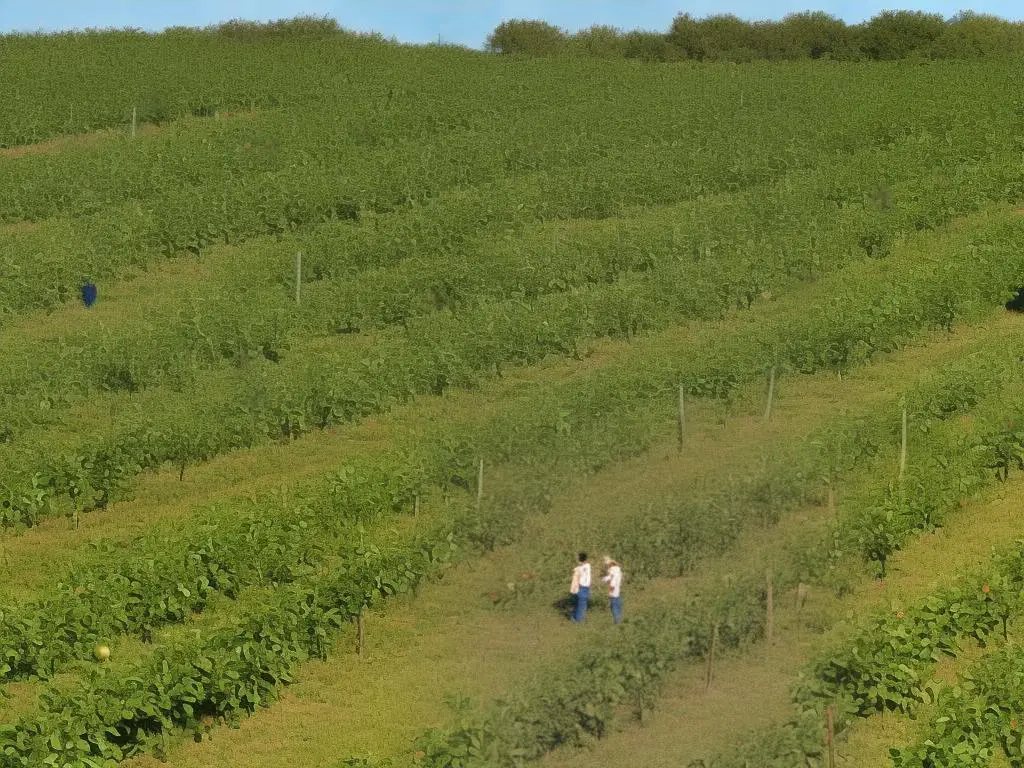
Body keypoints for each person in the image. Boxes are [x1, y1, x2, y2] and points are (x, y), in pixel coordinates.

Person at [569, 552, 591, 623]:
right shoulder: (587, 566)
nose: (576, 559)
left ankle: (577, 619)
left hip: (582, 587)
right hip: (584, 587)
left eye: (577, 558)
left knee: (581, 603)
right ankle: (576, 617)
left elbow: (579, 570)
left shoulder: (582, 567)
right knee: (581, 603)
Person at [602, 557, 624, 624]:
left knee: (613, 606)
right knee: (618, 604)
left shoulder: (612, 570)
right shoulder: (618, 569)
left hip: (613, 589)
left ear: (609, 564)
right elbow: (612, 577)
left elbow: (613, 580)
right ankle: (619, 618)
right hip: (618, 589)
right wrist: (605, 578)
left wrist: (611, 588)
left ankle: (617, 621)